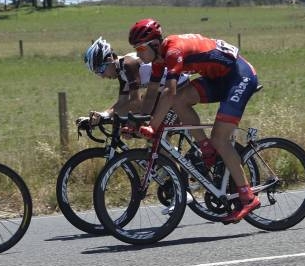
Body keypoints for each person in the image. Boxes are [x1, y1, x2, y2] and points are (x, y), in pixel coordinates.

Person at [127, 18, 261, 223]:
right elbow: (152, 93)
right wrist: (139, 122)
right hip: (218, 78)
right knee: (181, 100)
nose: (138, 54)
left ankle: (247, 197)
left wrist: (152, 127)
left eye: (141, 48)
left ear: (154, 44)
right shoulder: (158, 60)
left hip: (239, 77)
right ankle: (206, 149)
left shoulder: (172, 51)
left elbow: (168, 92)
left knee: (220, 138)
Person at [83, 36, 189, 123]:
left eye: (101, 70)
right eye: (97, 73)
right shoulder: (120, 71)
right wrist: (101, 115)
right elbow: (122, 102)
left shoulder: (127, 65)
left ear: (110, 59)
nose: (102, 76)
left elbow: (136, 102)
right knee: (143, 128)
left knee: (153, 132)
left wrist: (105, 116)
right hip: (163, 89)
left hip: (177, 85)